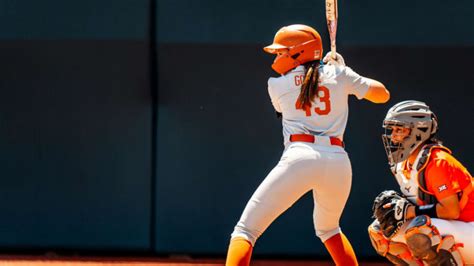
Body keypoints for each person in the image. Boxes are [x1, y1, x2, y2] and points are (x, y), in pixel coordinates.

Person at [225, 24, 390, 266]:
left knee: (245, 231)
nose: (278, 57)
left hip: (300, 157)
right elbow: (382, 94)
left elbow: (301, 92)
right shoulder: (339, 75)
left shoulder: (276, 85)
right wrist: (343, 72)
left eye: (282, 51)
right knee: (329, 229)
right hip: (338, 162)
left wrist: (332, 73)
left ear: (298, 52)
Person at [368, 100, 474, 265]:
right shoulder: (404, 164)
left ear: (418, 131)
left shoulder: (437, 161)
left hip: (469, 226)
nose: (393, 136)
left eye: (399, 130)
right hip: (455, 228)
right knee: (381, 231)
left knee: (421, 230)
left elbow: (452, 210)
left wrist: (409, 211)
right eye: (392, 130)